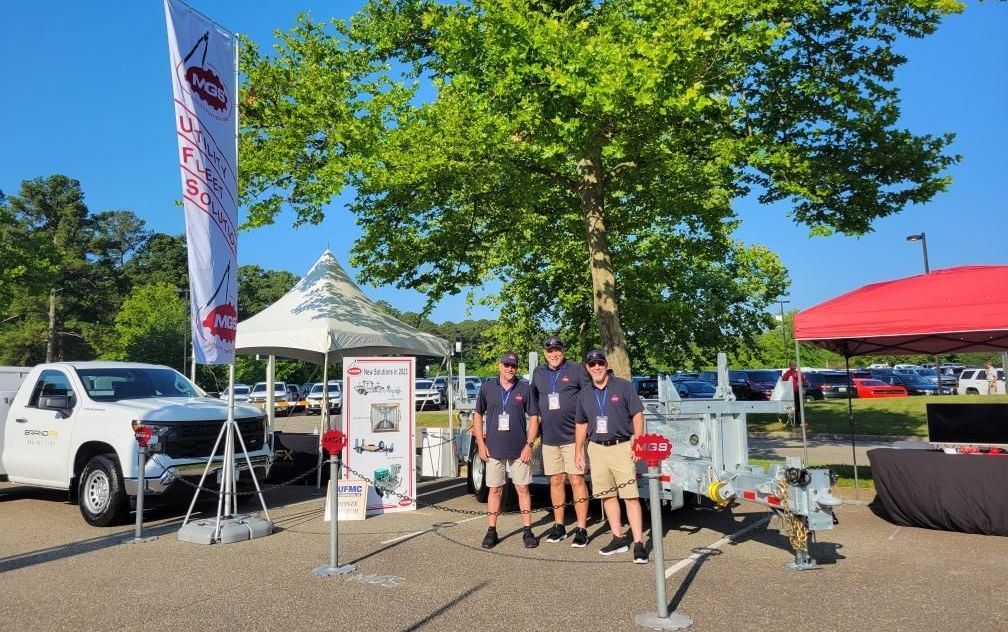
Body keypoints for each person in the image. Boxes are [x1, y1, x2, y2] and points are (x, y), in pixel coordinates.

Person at [574, 349, 647, 563]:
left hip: (621, 446)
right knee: (608, 496)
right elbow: (581, 424)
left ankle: (639, 543)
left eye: (600, 363)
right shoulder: (585, 393)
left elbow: (637, 414)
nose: (596, 367)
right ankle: (617, 538)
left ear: (606, 365)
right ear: (587, 368)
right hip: (596, 449)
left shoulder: (622, 386)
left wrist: (639, 442)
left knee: (630, 497)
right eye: (592, 364)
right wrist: (579, 451)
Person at [472, 352, 540, 549]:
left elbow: (534, 417)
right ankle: (491, 531)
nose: (510, 369)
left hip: (520, 450)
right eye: (506, 365)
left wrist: (529, 444)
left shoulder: (524, 388)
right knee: (495, 490)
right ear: (499, 366)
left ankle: (527, 531)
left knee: (522, 489)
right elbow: (477, 415)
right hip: (493, 449)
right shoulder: (487, 388)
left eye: (513, 366)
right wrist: (481, 443)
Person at [530, 335, 591, 547]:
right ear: (545, 353)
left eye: (557, 350)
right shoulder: (538, 373)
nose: (554, 354)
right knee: (555, 481)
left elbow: (589, 397)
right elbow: (533, 405)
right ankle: (559, 525)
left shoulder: (576, 369)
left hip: (573, 437)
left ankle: (582, 528)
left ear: (563, 351)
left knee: (576, 480)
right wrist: (533, 432)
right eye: (549, 351)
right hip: (549, 438)